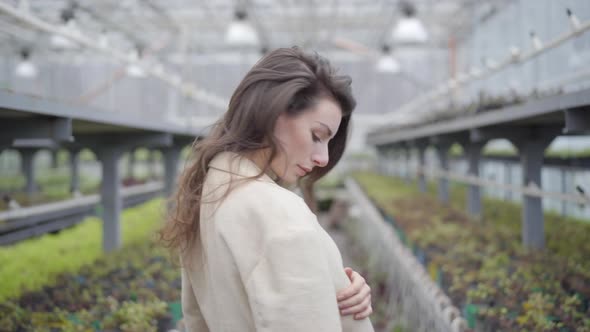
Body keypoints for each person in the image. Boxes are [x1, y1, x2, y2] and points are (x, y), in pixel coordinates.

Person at [159, 47, 374, 331]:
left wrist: (333, 284)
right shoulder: (278, 212)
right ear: (273, 113)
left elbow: (198, 319)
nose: (323, 158)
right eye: (317, 136)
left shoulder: (208, 194)